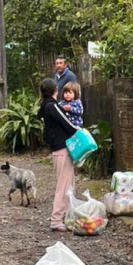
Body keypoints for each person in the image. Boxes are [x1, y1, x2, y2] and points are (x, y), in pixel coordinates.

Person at [38, 78, 79, 232]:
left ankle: (68, 216)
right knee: (64, 186)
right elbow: (68, 124)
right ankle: (56, 219)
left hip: (57, 150)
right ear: (55, 90)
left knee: (68, 184)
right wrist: (80, 131)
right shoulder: (52, 106)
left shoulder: (45, 106)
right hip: (62, 150)